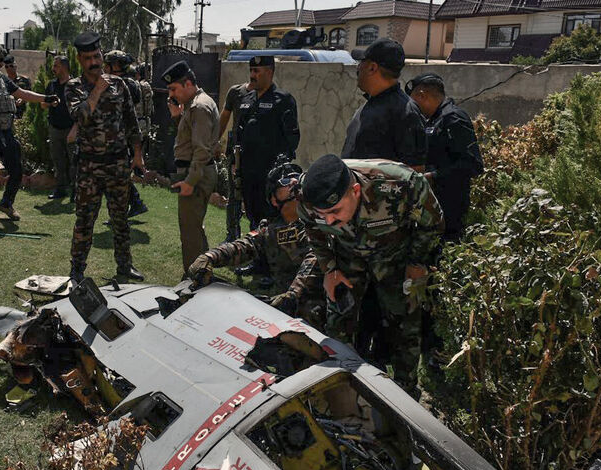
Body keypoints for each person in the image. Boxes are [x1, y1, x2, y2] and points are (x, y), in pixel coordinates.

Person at [297, 154, 444, 395]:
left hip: (395, 255)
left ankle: (406, 389)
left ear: (355, 191)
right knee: (338, 316)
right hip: (347, 257)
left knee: (404, 319)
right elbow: (312, 229)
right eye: (323, 214)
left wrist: (416, 262)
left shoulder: (400, 184)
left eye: (334, 211)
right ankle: (338, 384)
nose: (329, 220)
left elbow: (434, 222)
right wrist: (329, 269)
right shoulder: (307, 194)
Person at [188, 163, 325, 327]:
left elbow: (317, 254)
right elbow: (243, 246)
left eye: (297, 176)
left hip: (322, 310)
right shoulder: (269, 230)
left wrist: (294, 294)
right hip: (283, 313)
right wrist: (210, 257)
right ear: (274, 199)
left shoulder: (321, 219)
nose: (294, 182)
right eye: (285, 180)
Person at [64, 32, 145, 283]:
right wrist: (97, 90)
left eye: (97, 56)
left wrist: (138, 155)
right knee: (85, 221)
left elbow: (132, 122)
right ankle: (77, 270)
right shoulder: (73, 87)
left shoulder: (120, 85)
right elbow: (80, 117)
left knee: (120, 219)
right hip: (89, 166)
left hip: (118, 163)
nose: (94, 62)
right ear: (80, 60)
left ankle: (125, 266)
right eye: (88, 58)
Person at [0, 43, 58, 227]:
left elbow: (23, 93)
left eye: (2, 60)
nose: (1, 64)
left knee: (17, 171)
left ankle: (6, 204)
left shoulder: (3, 80)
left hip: (7, 132)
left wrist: (45, 99)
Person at [234, 56, 300, 284]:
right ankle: (258, 262)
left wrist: (281, 171)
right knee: (253, 218)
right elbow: (240, 133)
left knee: (271, 221)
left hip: (270, 176)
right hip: (249, 172)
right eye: (251, 70)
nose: (253, 74)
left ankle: (274, 270)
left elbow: (292, 138)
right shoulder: (246, 98)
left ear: (270, 72)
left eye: (258, 70)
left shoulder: (283, 100)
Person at [406, 73, 484, 241]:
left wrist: (434, 176)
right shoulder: (434, 120)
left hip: (450, 209)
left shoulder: (453, 118)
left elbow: (473, 164)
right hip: (432, 207)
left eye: (413, 102)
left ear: (422, 95)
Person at [163, 60, 220, 274]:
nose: (171, 95)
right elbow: (191, 139)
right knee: (194, 227)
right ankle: (202, 271)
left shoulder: (199, 107)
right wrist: (178, 117)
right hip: (195, 172)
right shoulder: (193, 105)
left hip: (196, 174)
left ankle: (194, 278)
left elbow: (202, 149)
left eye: (173, 89)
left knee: (190, 232)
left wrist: (190, 181)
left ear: (188, 84)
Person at [341, 38, 426, 168]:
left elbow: (414, 172)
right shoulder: (371, 104)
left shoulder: (406, 113)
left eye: (361, 62)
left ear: (372, 68)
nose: (358, 67)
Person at [104, 50, 148, 218]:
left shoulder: (123, 84)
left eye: (109, 64)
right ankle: (135, 203)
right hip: (126, 134)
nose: (105, 67)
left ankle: (124, 210)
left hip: (123, 135)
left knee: (117, 176)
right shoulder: (128, 82)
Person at [218, 81, 252, 243]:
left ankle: (255, 239)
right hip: (236, 153)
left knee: (255, 197)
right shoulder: (236, 92)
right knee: (234, 195)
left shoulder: (270, 95)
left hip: (256, 154)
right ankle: (232, 235)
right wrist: (214, 142)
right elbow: (224, 117)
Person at [43, 55, 76, 200]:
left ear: (64, 67)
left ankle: (76, 191)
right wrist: (50, 103)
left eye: (56, 66)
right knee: (58, 161)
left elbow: (83, 108)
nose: (53, 68)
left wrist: (76, 129)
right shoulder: (52, 85)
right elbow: (42, 104)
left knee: (74, 160)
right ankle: (60, 189)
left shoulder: (75, 84)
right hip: (55, 128)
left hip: (71, 128)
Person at [4, 54, 32, 119]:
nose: (9, 68)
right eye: (6, 67)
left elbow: (30, 94)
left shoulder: (25, 80)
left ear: (15, 66)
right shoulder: (3, 81)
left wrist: (23, 99)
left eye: (11, 66)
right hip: (7, 114)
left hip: (22, 113)